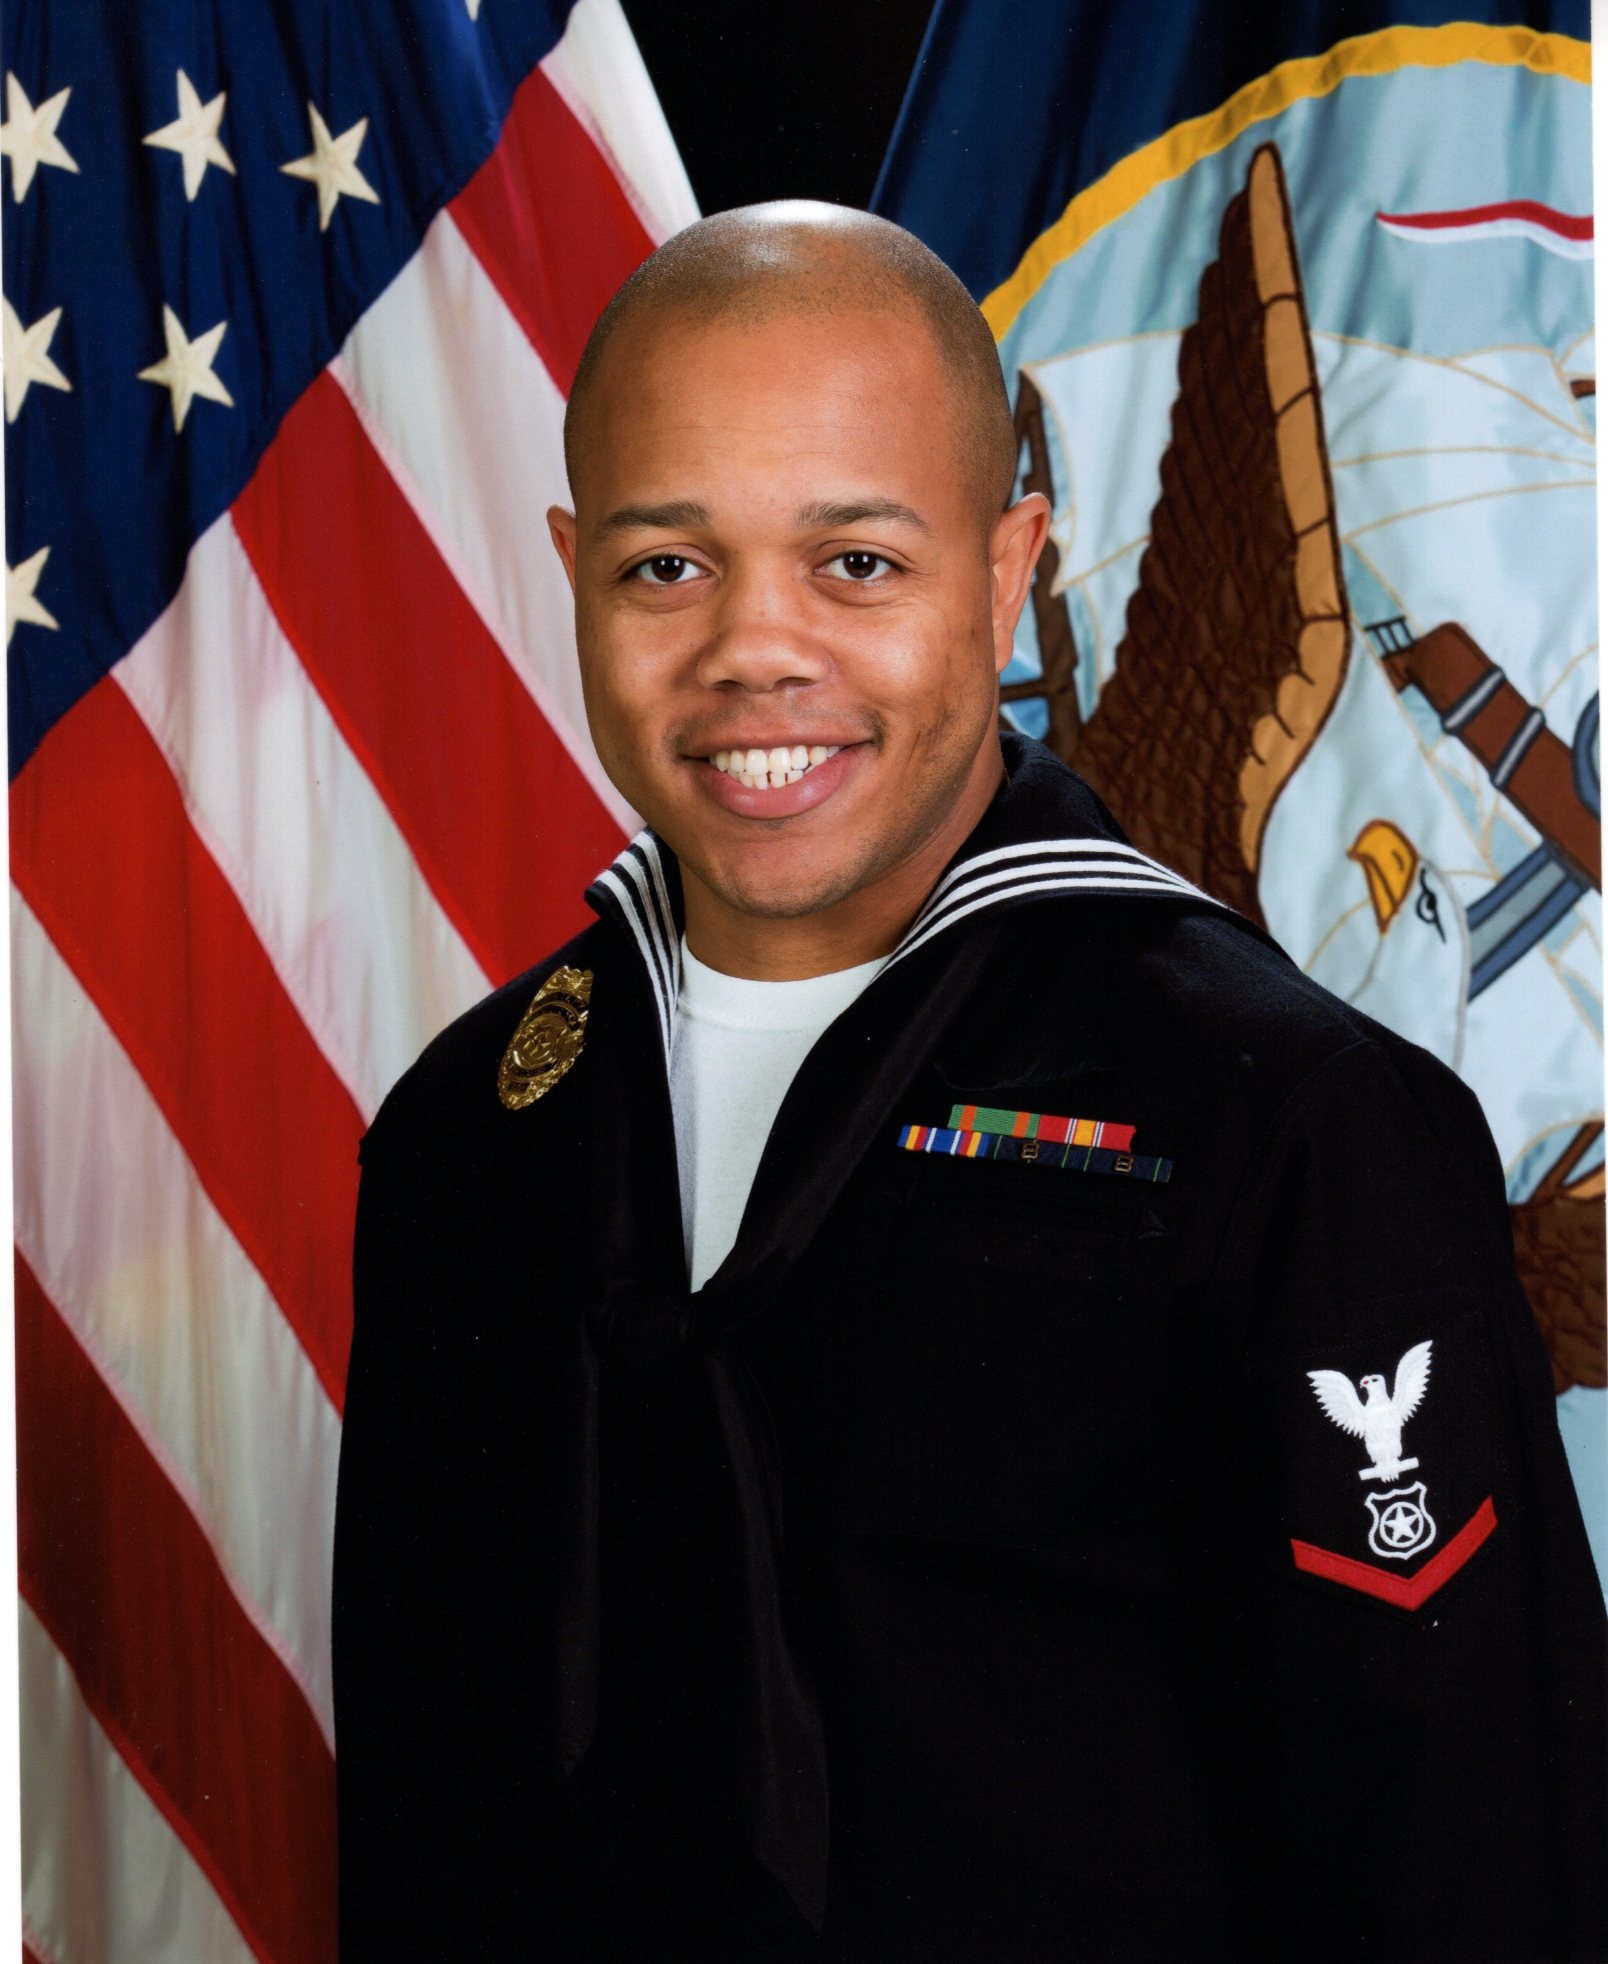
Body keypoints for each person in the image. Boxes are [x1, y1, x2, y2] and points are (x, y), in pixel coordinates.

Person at [331, 202, 1608, 1962]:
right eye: (667, 566)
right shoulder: (471, 1134)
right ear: (571, 568)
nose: (755, 649)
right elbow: (415, 1828)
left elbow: (1479, 1867)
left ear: (1010, 571)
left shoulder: (1282, 1126)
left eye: (856, 562)